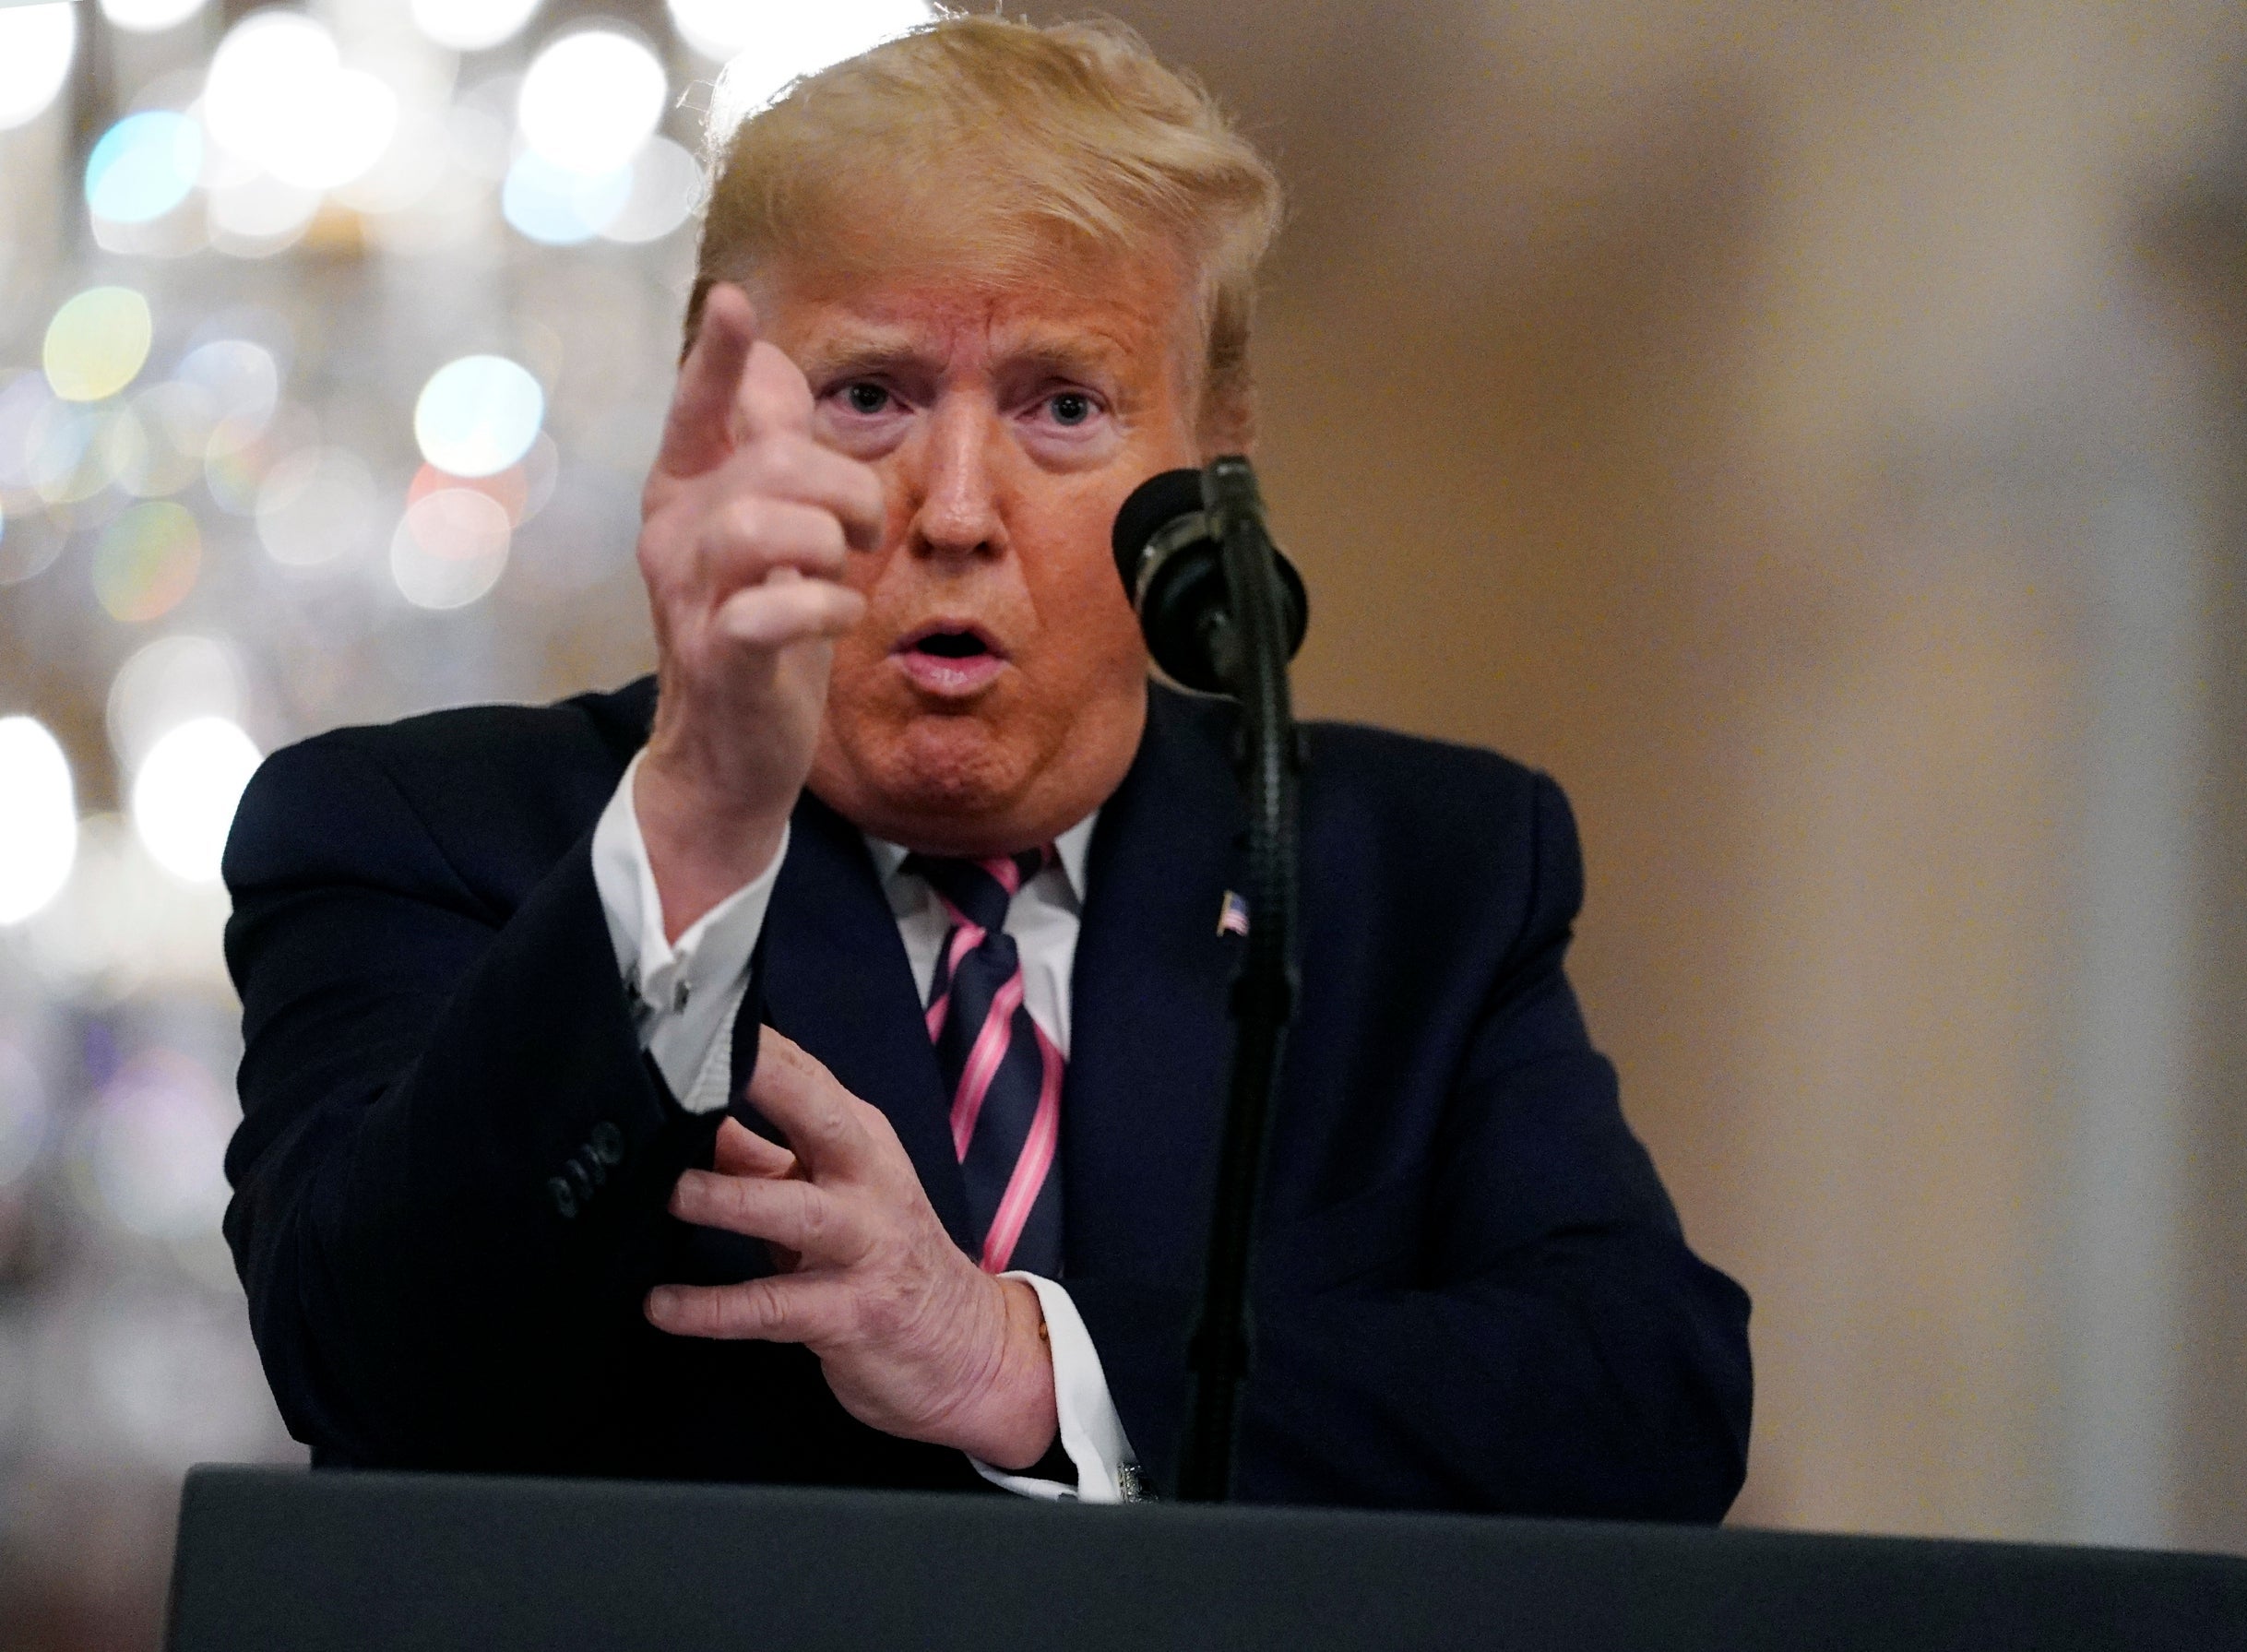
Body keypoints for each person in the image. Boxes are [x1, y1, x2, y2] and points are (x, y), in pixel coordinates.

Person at [220, 15, 1751, 1513]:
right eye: (869, 394)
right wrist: (695, 820)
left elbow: (1649, 1398)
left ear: (1211, 465)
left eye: (1063, 406)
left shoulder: (1421, 876)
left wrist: (1023, 1363)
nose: (954, 508)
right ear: (718, 414)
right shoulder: (413, 832)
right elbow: (369, 1365)